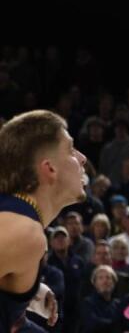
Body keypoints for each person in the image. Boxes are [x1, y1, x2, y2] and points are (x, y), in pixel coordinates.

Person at [0, 111, 88, 332]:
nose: (82, 158)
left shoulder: (19, 222)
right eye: (70, 149)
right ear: (49, 168)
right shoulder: (24, 231)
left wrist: (27, 291)